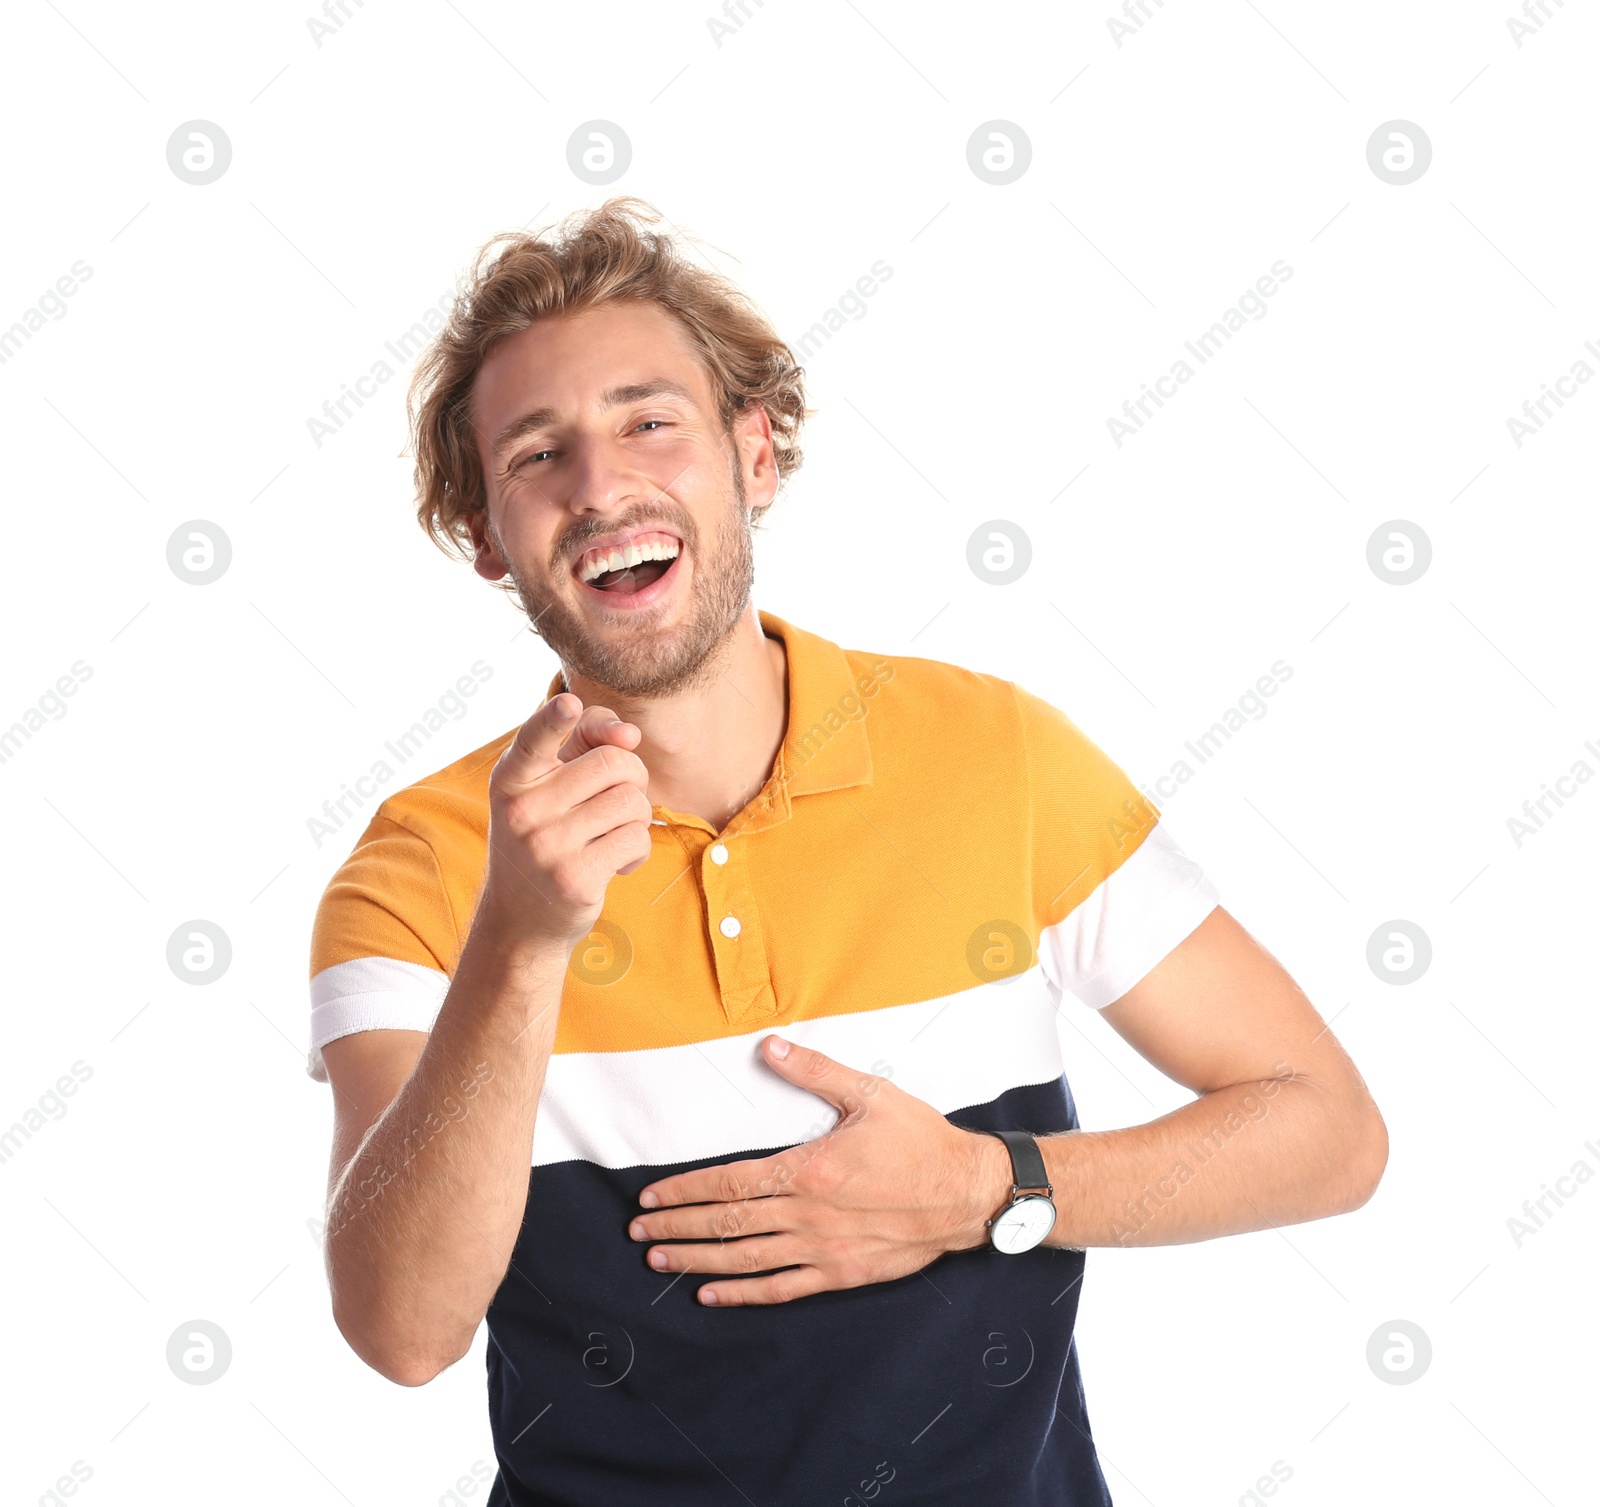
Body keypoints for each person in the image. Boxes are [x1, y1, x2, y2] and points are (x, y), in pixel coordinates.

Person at [308, 197, 1388, 1506]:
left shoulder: (997, 757)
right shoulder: (421, 868)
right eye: (539, 453)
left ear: (755, 454)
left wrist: (993, 1186)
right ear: (489, 537)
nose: (600, 485)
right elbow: (402, 1329)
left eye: (650, 420)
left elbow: (1327, 1134)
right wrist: (523, 938)